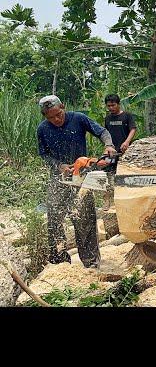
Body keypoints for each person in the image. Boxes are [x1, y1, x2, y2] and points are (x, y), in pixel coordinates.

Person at [36, 95, 117, 268]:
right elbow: (44, 154)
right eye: (50, 117)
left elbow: (102, 132)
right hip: (58, 180)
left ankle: (91, 263)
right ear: (45, 116)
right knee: (54, 221)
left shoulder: (78, 118)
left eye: (58, 114)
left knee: (85, 219)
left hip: (82, 179)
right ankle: (60, 262)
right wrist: (59, 166)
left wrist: (109, 145)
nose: (56, 119)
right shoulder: (43, 129)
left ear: (63, 106)